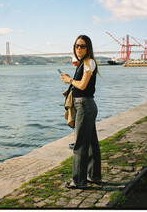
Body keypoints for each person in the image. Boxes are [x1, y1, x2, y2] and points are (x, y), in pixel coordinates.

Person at [60, 35, 101, 189]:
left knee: (80, 145)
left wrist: (69, 81)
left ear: (88, 47)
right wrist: (71, 79)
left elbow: (83, 86)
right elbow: (82, 83)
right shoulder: (83, 63)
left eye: (82, 46)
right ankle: (94, 176)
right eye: (77, 45)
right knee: (91, 143)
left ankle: (78, 181)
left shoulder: (89, 62)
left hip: (84, 105)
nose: (79, 48)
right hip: (85, 105)